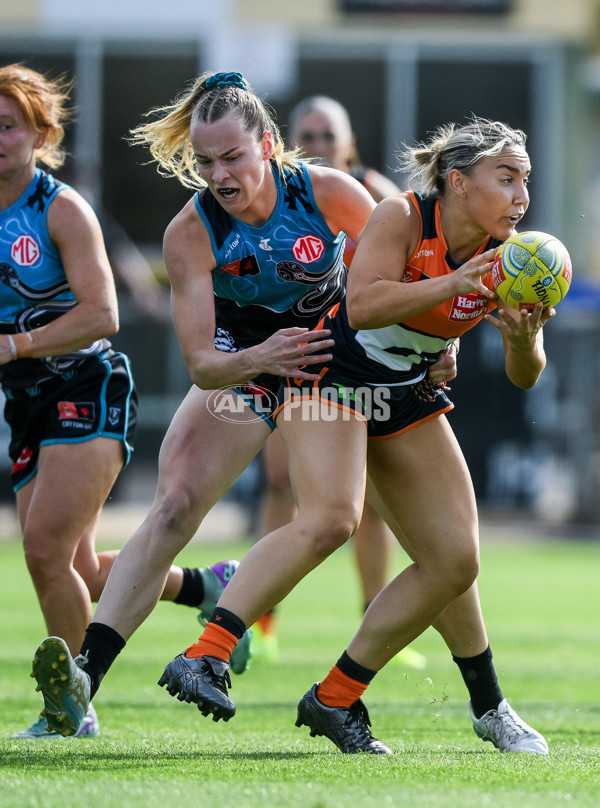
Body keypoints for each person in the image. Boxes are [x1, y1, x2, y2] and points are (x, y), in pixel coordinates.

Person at [28, 76, 543, 757]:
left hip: (338, 364)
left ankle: (478, 700)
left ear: (268, 147)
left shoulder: (327, 192)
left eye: (233, 157)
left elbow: (396, 275)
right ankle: (91, 676)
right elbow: (204, 365)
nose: (220, 174)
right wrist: (262, 355)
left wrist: (450, 340)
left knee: (446, 552)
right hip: (251, 368)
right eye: (206, 162)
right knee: (178, 506)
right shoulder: (191, 231)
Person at [0, 64, 250, 740]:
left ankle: (71, 705)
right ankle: (203, 587)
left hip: (86, 385)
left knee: (45, 550)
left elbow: (103, 312)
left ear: (41, 134)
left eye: (8, 126)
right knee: (75, 568)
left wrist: (17, 345)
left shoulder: (60, 208)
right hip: (24, 399)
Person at [249, 95, 417, 665]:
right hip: (297, 359)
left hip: (367, 364)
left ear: (349, 143)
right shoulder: (279, 198)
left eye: (328, 136)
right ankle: (259, 620)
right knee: (280, 481)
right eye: (309, 136)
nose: (319, 146)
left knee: (366, 504)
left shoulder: (384, 202)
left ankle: (378, 621)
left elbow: (417, 277)